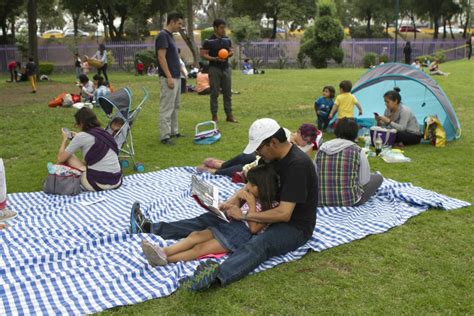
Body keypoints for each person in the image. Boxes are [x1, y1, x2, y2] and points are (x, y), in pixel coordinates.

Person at [130, 118, 318, 291]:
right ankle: (149, 227)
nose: (257, 153)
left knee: (260, 244)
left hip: (294, 225)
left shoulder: (297, 166)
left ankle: (214, 277)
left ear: (273, 143)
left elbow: (284, 213)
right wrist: (228, 205)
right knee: (209, 218)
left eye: (259, 149)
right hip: (265, 210)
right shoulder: (270, 157)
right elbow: (250, 185)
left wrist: (244, 215)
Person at [141, 164, 280, 266]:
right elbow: (240, 212)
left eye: (252, 184)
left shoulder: (271, 206)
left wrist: (250, 204)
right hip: (230, 225)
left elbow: (254, 229)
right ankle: (163, 251)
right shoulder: (252, 195)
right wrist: (229, 207)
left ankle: (165, 260)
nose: (248, 186)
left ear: (264, 187)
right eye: (248, 182)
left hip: (240, 235)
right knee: (195, 235)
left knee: (199, 249)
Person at [198, 123, 322, 176]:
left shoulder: (305, 149)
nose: (306, 143)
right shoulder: (283, 133)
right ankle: (221, 165)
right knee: (247, 157)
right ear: (299, 132)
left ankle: (215, 170)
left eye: (309, 142)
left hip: (268, 163)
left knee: (245, 167)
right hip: (262, 157)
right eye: (305, 140)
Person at [315, 118, 383, 207]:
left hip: (320, 200)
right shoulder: (358, 151)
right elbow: (364, 181)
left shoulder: (322, 148)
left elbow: (314, 175)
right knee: (378, 178)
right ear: (355, 134)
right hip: (350, 201)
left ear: (336, 130)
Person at [56, 107, 122, 191]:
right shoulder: (103, 133)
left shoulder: (81, 136)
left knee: (68, 156)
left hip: (98, 183)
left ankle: (54, 178)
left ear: (82, 123)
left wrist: (64, 139)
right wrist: (78, 136)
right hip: (116, 180)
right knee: (88, 160)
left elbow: (60, 158)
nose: (77, 126)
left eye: (77, 123)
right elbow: (91, 141)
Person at [156, 12, 185, 146]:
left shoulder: (170, 37)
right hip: (169, 77)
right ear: (172, 22)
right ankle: (165, 136)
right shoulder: (162, 36)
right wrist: (168, 77)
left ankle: (174, 131)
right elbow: (161, 57)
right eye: (179, 23)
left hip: (176, 76)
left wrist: (181, 72)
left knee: (175, 106)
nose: (181, 26)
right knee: (167, 107)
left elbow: (174, 58)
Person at [201, 19, 237, 123]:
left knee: (227, 93)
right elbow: (203, 54)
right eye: (221, 27)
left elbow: (231, 50)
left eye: (224, 27)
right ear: (215, 28)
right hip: (214, 69)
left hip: (226, 68)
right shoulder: (208, 41)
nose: (223, 30)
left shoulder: (227, 39)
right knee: (214, 93)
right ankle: (214, 116)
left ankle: (229, 115)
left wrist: (230, 53)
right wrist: (215, 58)